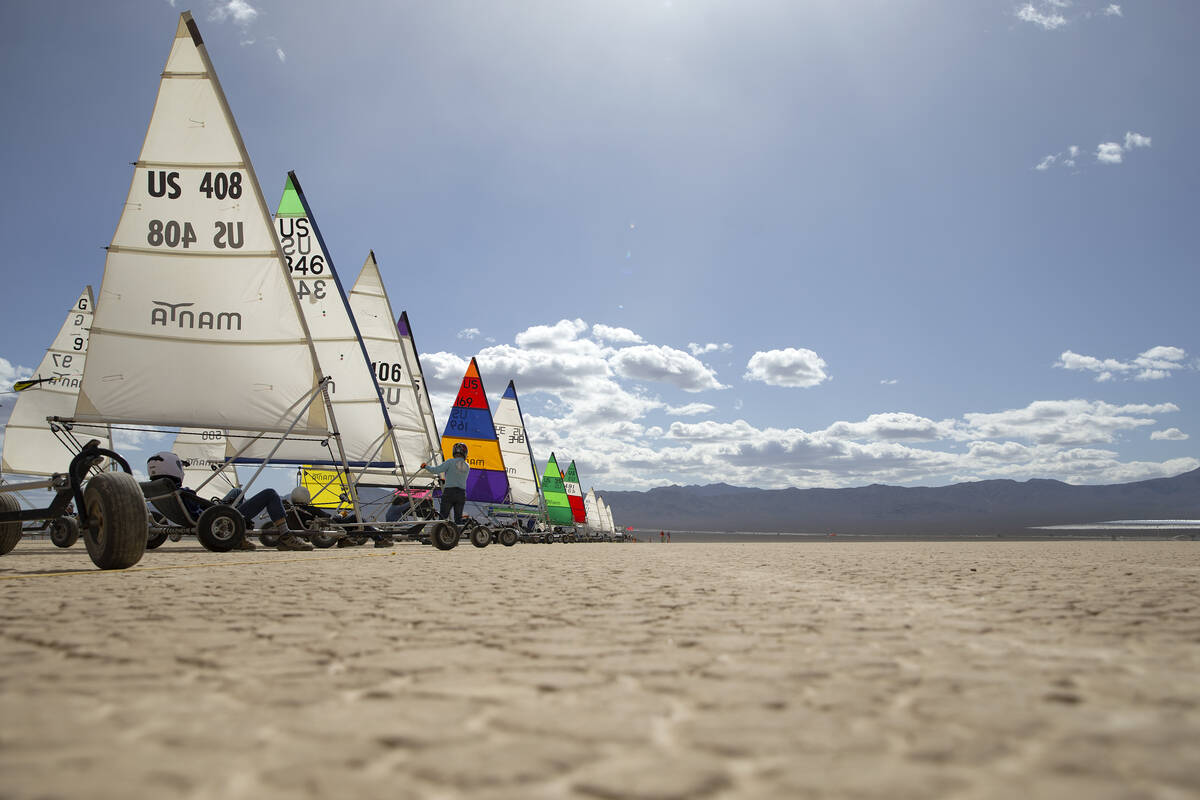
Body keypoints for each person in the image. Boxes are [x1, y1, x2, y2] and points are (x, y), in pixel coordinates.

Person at [146, 451, 311, 551]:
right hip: (218, 518)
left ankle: (239, 538)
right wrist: (220, 508)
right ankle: (286, 536)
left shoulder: (163, 491)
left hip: (207, 516)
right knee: (270, 494)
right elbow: (202, 510)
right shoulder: (183, 493)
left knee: (237, 491)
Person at [419, 443, 470, 525]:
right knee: (458, 518)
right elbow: (457, 477)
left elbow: (436, 470)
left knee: (443, 517)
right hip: (461, 494)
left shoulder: (450, 462)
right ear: (465, 453)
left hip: (449, 492)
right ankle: (457, 535)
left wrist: (425, 466)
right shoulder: (467, 466)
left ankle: (441, 535)